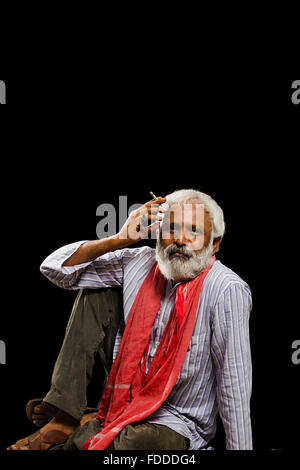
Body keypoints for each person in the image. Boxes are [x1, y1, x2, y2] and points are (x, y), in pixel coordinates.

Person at [8, 189, 253, 450]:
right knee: (95, 290)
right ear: (158, 233)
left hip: (177, 420)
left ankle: (86, 426)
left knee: (131, 444)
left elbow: (234, 380)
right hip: (128, 397)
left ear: (214, 243)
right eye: (172, 227)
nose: (180, 239)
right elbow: (55, 270)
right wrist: (118, 239)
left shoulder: (227, 289)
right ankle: (65, 415)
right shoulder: (138, 261)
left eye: (194, 231)